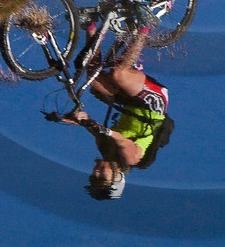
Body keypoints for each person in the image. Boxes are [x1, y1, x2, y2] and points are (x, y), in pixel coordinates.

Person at [53, 26, 172, 200]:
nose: (97, 172)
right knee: (119, 74)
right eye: (102, 178)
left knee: (92, 77)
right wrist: (107, 131)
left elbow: (87, 122)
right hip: (153, 106)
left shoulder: (104, 148)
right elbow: (123, 142)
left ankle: (91, 27)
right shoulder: (131, 159)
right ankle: (145, 27)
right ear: (117, 177)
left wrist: (66, 119)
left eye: (94, 176)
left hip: (127, 103)